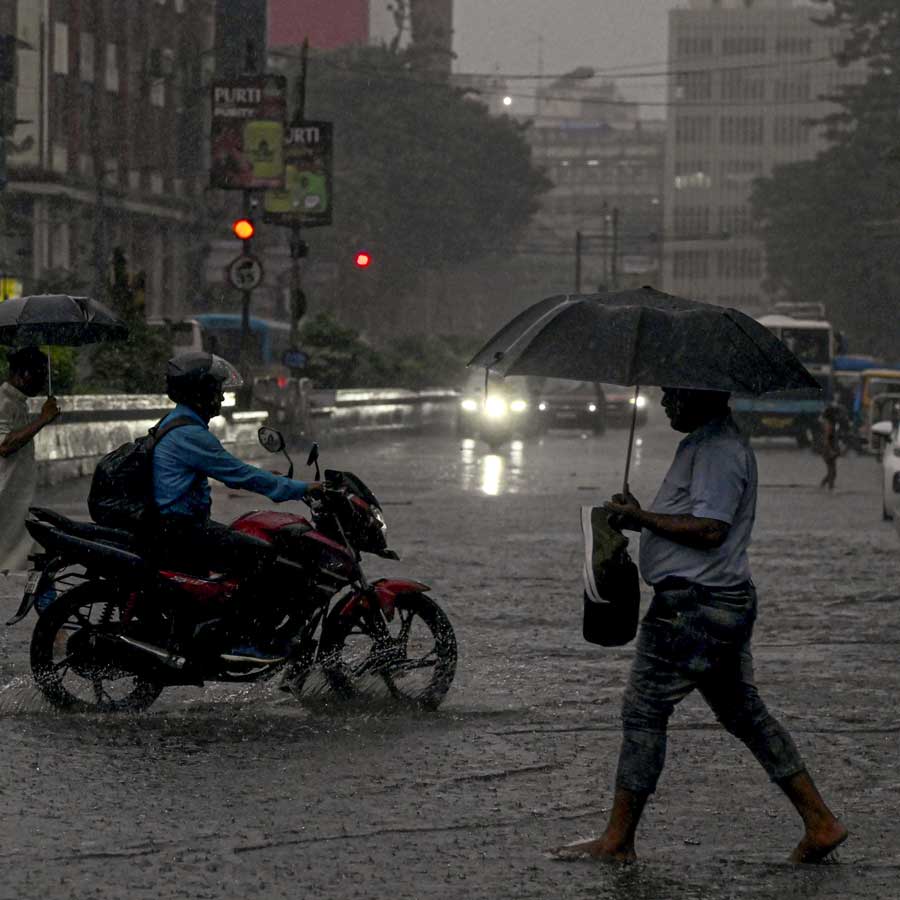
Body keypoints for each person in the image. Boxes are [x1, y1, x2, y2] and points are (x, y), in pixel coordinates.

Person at [553, 387, 847, 865]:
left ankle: (618, 839)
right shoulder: (705, 443)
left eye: (674, 394)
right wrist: (638, 513)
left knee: (644, 711)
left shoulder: (717, 450)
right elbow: (696, 518)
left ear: (704, 394)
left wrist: (641, 517)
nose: (666, 401)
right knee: (745, 715)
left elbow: (711, 530)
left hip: (692, 608)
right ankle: (820, 822)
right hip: (715, 603)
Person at [151, 350, 321, 662]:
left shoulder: (178, 422)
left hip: (178, 525)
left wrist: (268, 478)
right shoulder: (190, 433)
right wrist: (300, 488)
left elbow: (229, 471)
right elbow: (239, 474)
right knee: (264, 555)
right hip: (183, 530)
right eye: (215, 390)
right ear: (199, 393)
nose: (221, 396)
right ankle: (243, 638)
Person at [0, 347, 60, 572]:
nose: (44, 383)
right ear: (24, 375)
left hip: (15, 499)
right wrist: (43, 419)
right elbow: (5, 445)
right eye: (41, 376)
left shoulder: (17, 402)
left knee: (36, 559)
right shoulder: (3, 402)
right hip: (4, 499)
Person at [819, 403, 841, 490]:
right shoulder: (828, 425)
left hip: (829, 449)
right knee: (832, 471)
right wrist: (830, 450)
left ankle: (823, 486)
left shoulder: (829, 423)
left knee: (832, 472)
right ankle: (830, 489)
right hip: (828, 450)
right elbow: (826, 440)